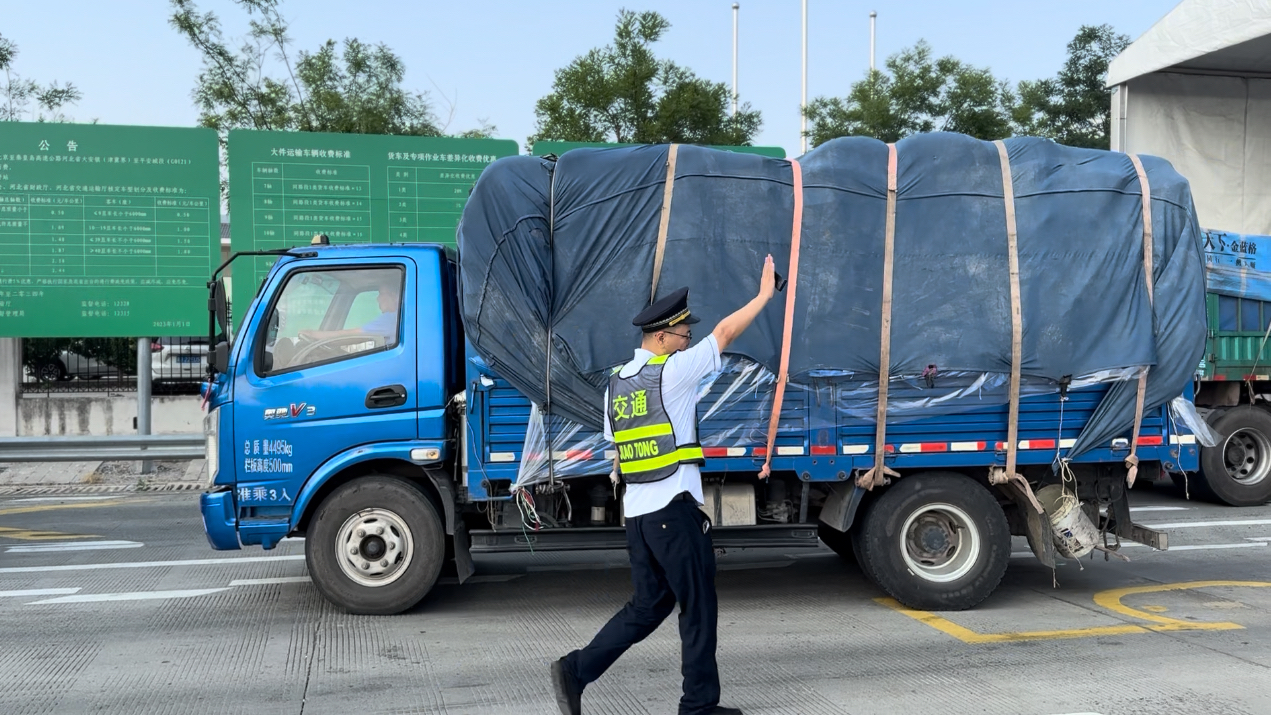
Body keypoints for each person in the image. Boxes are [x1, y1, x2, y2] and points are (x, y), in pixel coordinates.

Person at [551, 255, 777, 715]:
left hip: (638, 515)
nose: (687, 341)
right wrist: (763, 296)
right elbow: (725, 333)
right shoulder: (670, 372)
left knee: (648, 606)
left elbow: (618, 450)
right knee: (698, 607)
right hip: (673, 511)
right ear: (661, 337)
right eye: (683, 335)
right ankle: (698, 707)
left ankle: (576, 669)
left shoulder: (616, 385)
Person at [298, 279, 400, 346]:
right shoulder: (398, 318)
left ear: (395, 296)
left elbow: (351, 336)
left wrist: (312, 334)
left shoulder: (392, 319)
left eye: (381, 294)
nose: (378, 299)